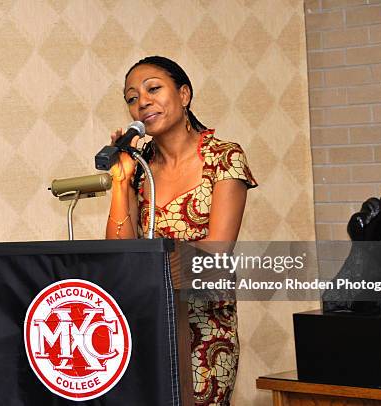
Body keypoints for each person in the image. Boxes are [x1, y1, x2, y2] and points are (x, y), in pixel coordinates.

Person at [105, 56, 257, 405]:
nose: (142, 101)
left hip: (204, 330)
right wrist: (121, 179)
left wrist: (153, 263)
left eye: (153, 88)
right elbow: (118, 250)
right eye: (131, 97)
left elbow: (217, 249)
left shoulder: (224, 157)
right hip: (146, 326)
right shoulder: (140, 171)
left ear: (184, 94)